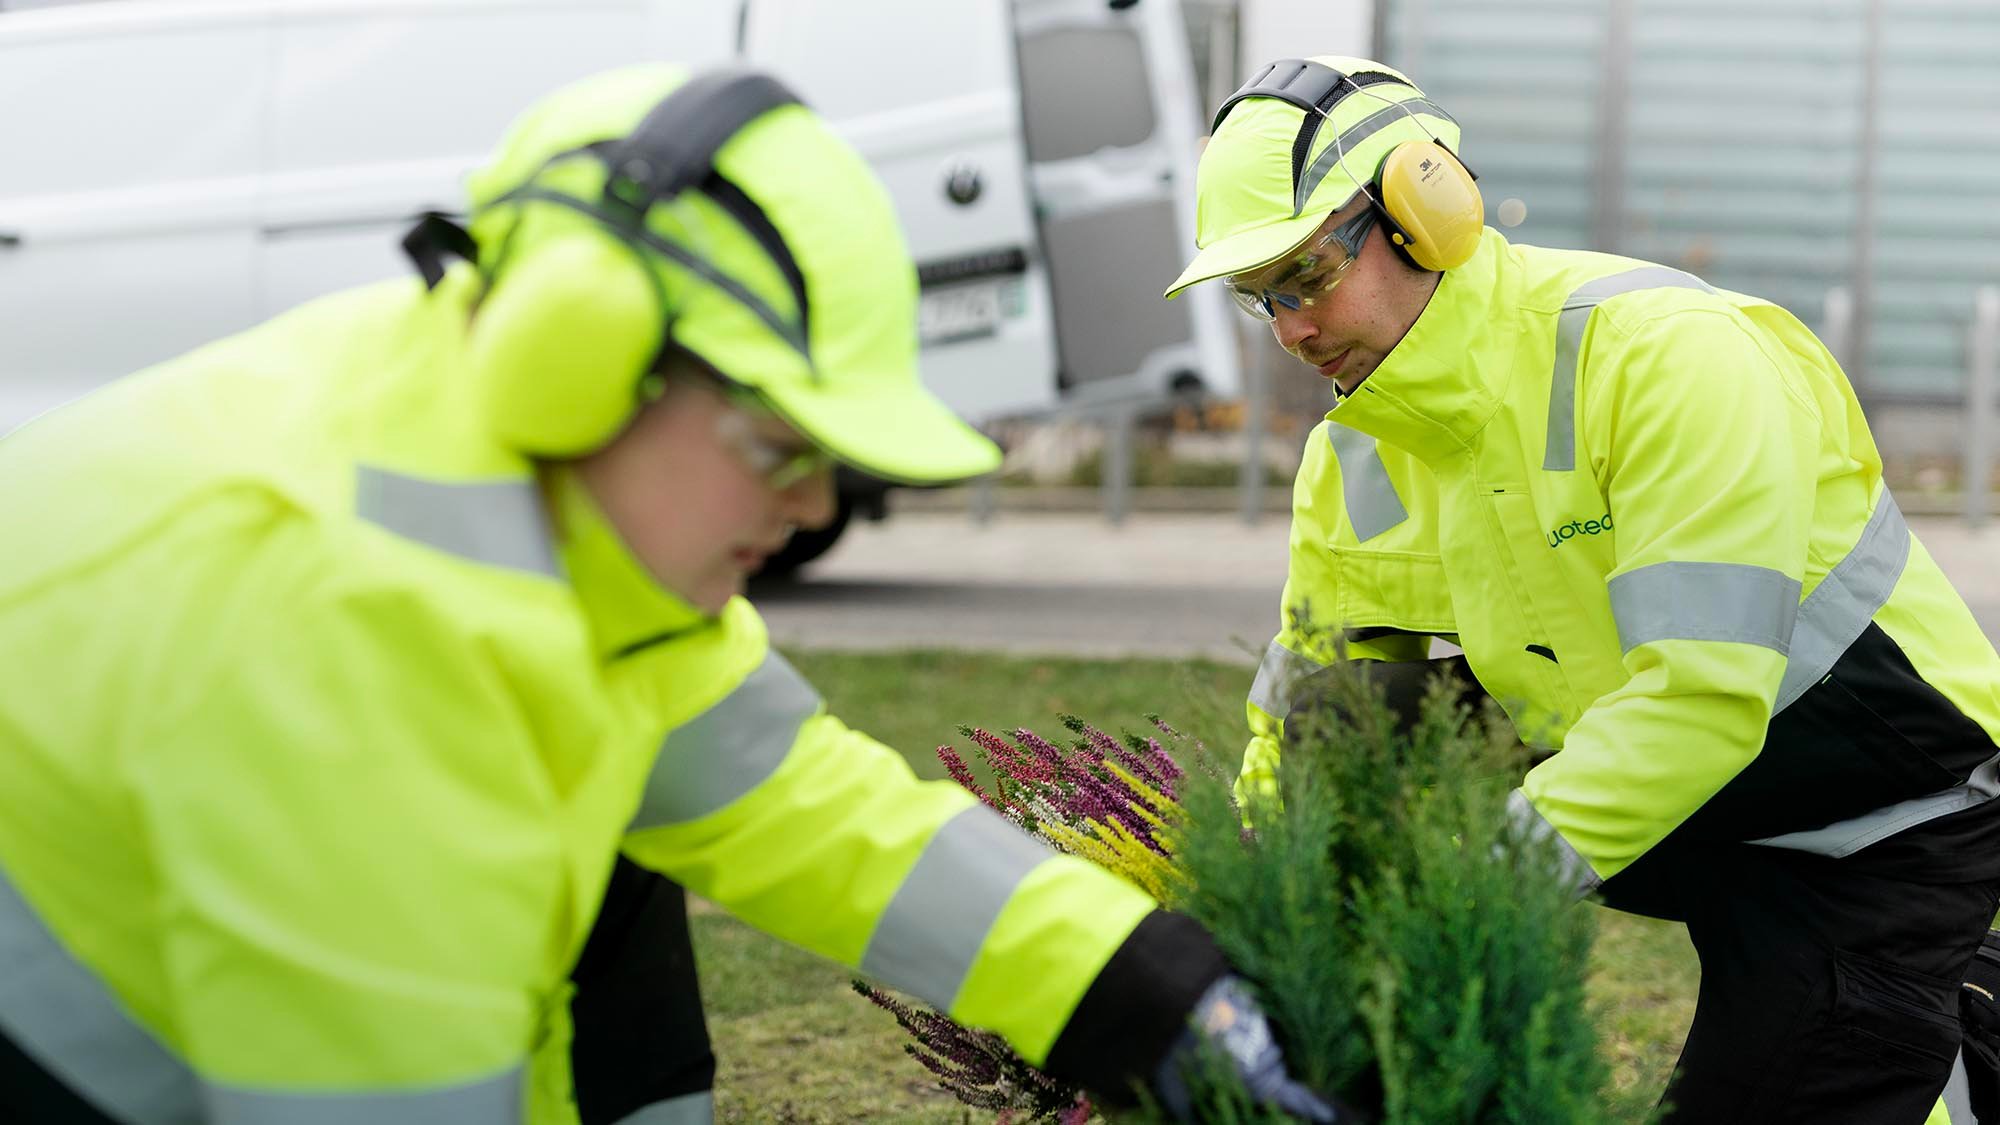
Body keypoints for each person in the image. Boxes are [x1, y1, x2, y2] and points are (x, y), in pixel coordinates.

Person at [0, 65, 1338, 1124]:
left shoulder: (539, 498)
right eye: (778, 446)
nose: (817, 508)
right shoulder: (341, 627)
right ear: (577, 364)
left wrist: (1136, 988)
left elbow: (801, 805)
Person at [1168, 55, 2000, 1124]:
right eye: (1259, 298)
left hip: (1875, 819)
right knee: (1353, 725)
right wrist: (1246, 913)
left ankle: (1954, 1032)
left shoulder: (1665, 358)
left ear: (1426, 209)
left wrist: (1477, 885)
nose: (1289, 329)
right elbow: (1301, 719)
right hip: (1656, 801)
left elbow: (1699, 700)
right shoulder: (1355, 454)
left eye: (1307, 276)